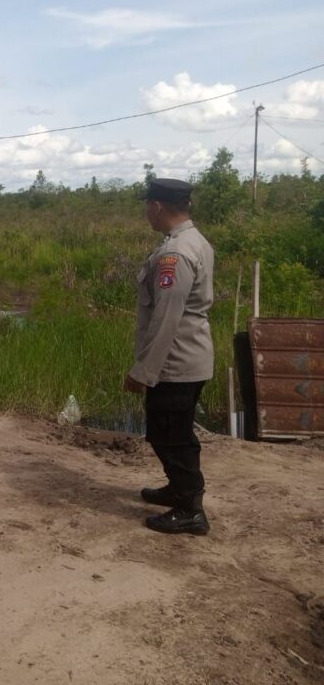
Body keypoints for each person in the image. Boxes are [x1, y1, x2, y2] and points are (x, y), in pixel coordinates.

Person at [125, 178, 215, 535]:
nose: (146, 211)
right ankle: (179, 490)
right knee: (173, 431)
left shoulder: (174, 254)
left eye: (147, 205)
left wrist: (143, 371)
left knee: (170, 436)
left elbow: (166, 318)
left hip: (175, 363)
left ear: (157, 206)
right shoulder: (193, 240)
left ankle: (190, 509)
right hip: (188, 358)